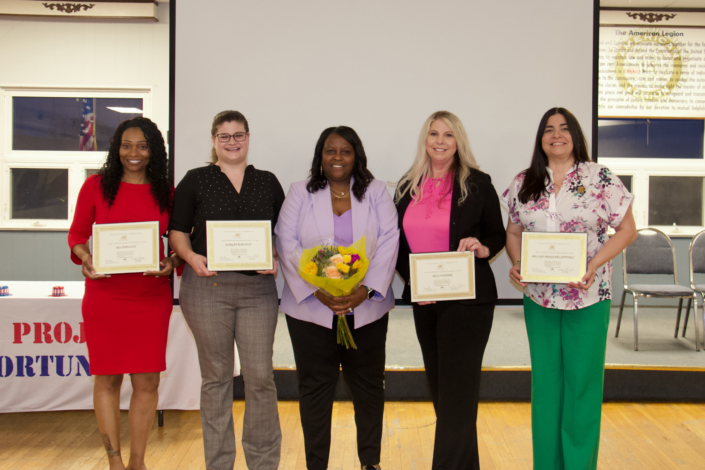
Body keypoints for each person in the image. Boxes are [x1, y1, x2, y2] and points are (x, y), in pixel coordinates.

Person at [502, 107, 637, 470]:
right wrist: (517, 264)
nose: (556, 135)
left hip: (588, 297)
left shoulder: (601, 178)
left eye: (564, 128)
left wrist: (593, 264)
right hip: (540, 299)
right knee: (546, 389)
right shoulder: (524, 180)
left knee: (581, 389)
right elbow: (514, 232)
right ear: (540, 139)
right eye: (548, 129)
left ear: (576, 136)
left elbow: (627, 230)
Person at [275, 126, 399, 470]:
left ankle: (370, 462)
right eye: (331, 151)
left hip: (367, 309)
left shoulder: (375, 192)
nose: (338, 158)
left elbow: (390, 238)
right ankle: (316, 464)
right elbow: (286, 242)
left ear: (356, 155)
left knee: (369, 387)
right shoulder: (299, 192)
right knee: (314, 390)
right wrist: (318, 289)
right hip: (312, 310)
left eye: (346, 151)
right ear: (320, 156)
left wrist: (363, 290)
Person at [168, 110, 283, 470]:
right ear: (214, 140)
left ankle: (263, 462)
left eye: (238, 135)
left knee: (260, 377)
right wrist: (189, 256)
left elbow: (281, 234)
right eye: (224, 136)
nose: (232, 142)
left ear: (248, 137)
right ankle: (219, 464)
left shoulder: (267, 182)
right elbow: (177, 231)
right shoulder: (195, 180)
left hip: (257, 291)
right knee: (216, 379)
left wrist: (275, 256)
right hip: (206, 288)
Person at [394, 111, 505, 470]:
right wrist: (412, 282)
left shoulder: (478, 183)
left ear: (459, 142)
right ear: (424, 141)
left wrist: (483, 247)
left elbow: (496, 234)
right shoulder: (406, 186)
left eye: (448, 135)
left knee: (457, 392)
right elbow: (395, 246)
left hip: (468, 302)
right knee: (444, 392)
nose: (440, 141)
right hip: (425, 300)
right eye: (433, 134)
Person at [68, 117, 180, 470]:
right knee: (108, 377)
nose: (134, 153)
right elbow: (76, 237)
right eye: (127, 145)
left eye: (143, 146)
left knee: (147, 380)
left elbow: (179, 244)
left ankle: (138, 462)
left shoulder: (167, 192)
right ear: (117, 148)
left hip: (150, 297)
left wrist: (172, 260)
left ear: (154, 151)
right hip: (105, 297)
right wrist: (85, 256)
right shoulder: (95, 187)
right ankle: (114, 460)